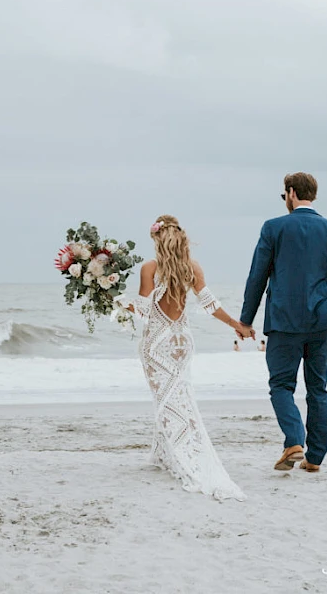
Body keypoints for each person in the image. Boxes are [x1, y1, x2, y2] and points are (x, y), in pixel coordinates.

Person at [117, 215, 251, 501]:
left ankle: (180, 456)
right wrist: (236, 324)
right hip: (182, 342)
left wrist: (114, 299)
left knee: (164, 400)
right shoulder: (192, 268)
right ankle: (165, 453)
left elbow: (141, 311)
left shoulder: (150, 268)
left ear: (157, 240)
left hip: (157, 345)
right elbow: (210, 304)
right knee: (181, 397)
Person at [236, 173, 327, 474]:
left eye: (284, 195)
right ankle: (315, 457)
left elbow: (257, 276)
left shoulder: (274, 227)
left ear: (291, 193)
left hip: (284, 321)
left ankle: (294, 441)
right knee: (318, 389)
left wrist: (245, 320)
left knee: (281, 385)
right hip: (322, 322)